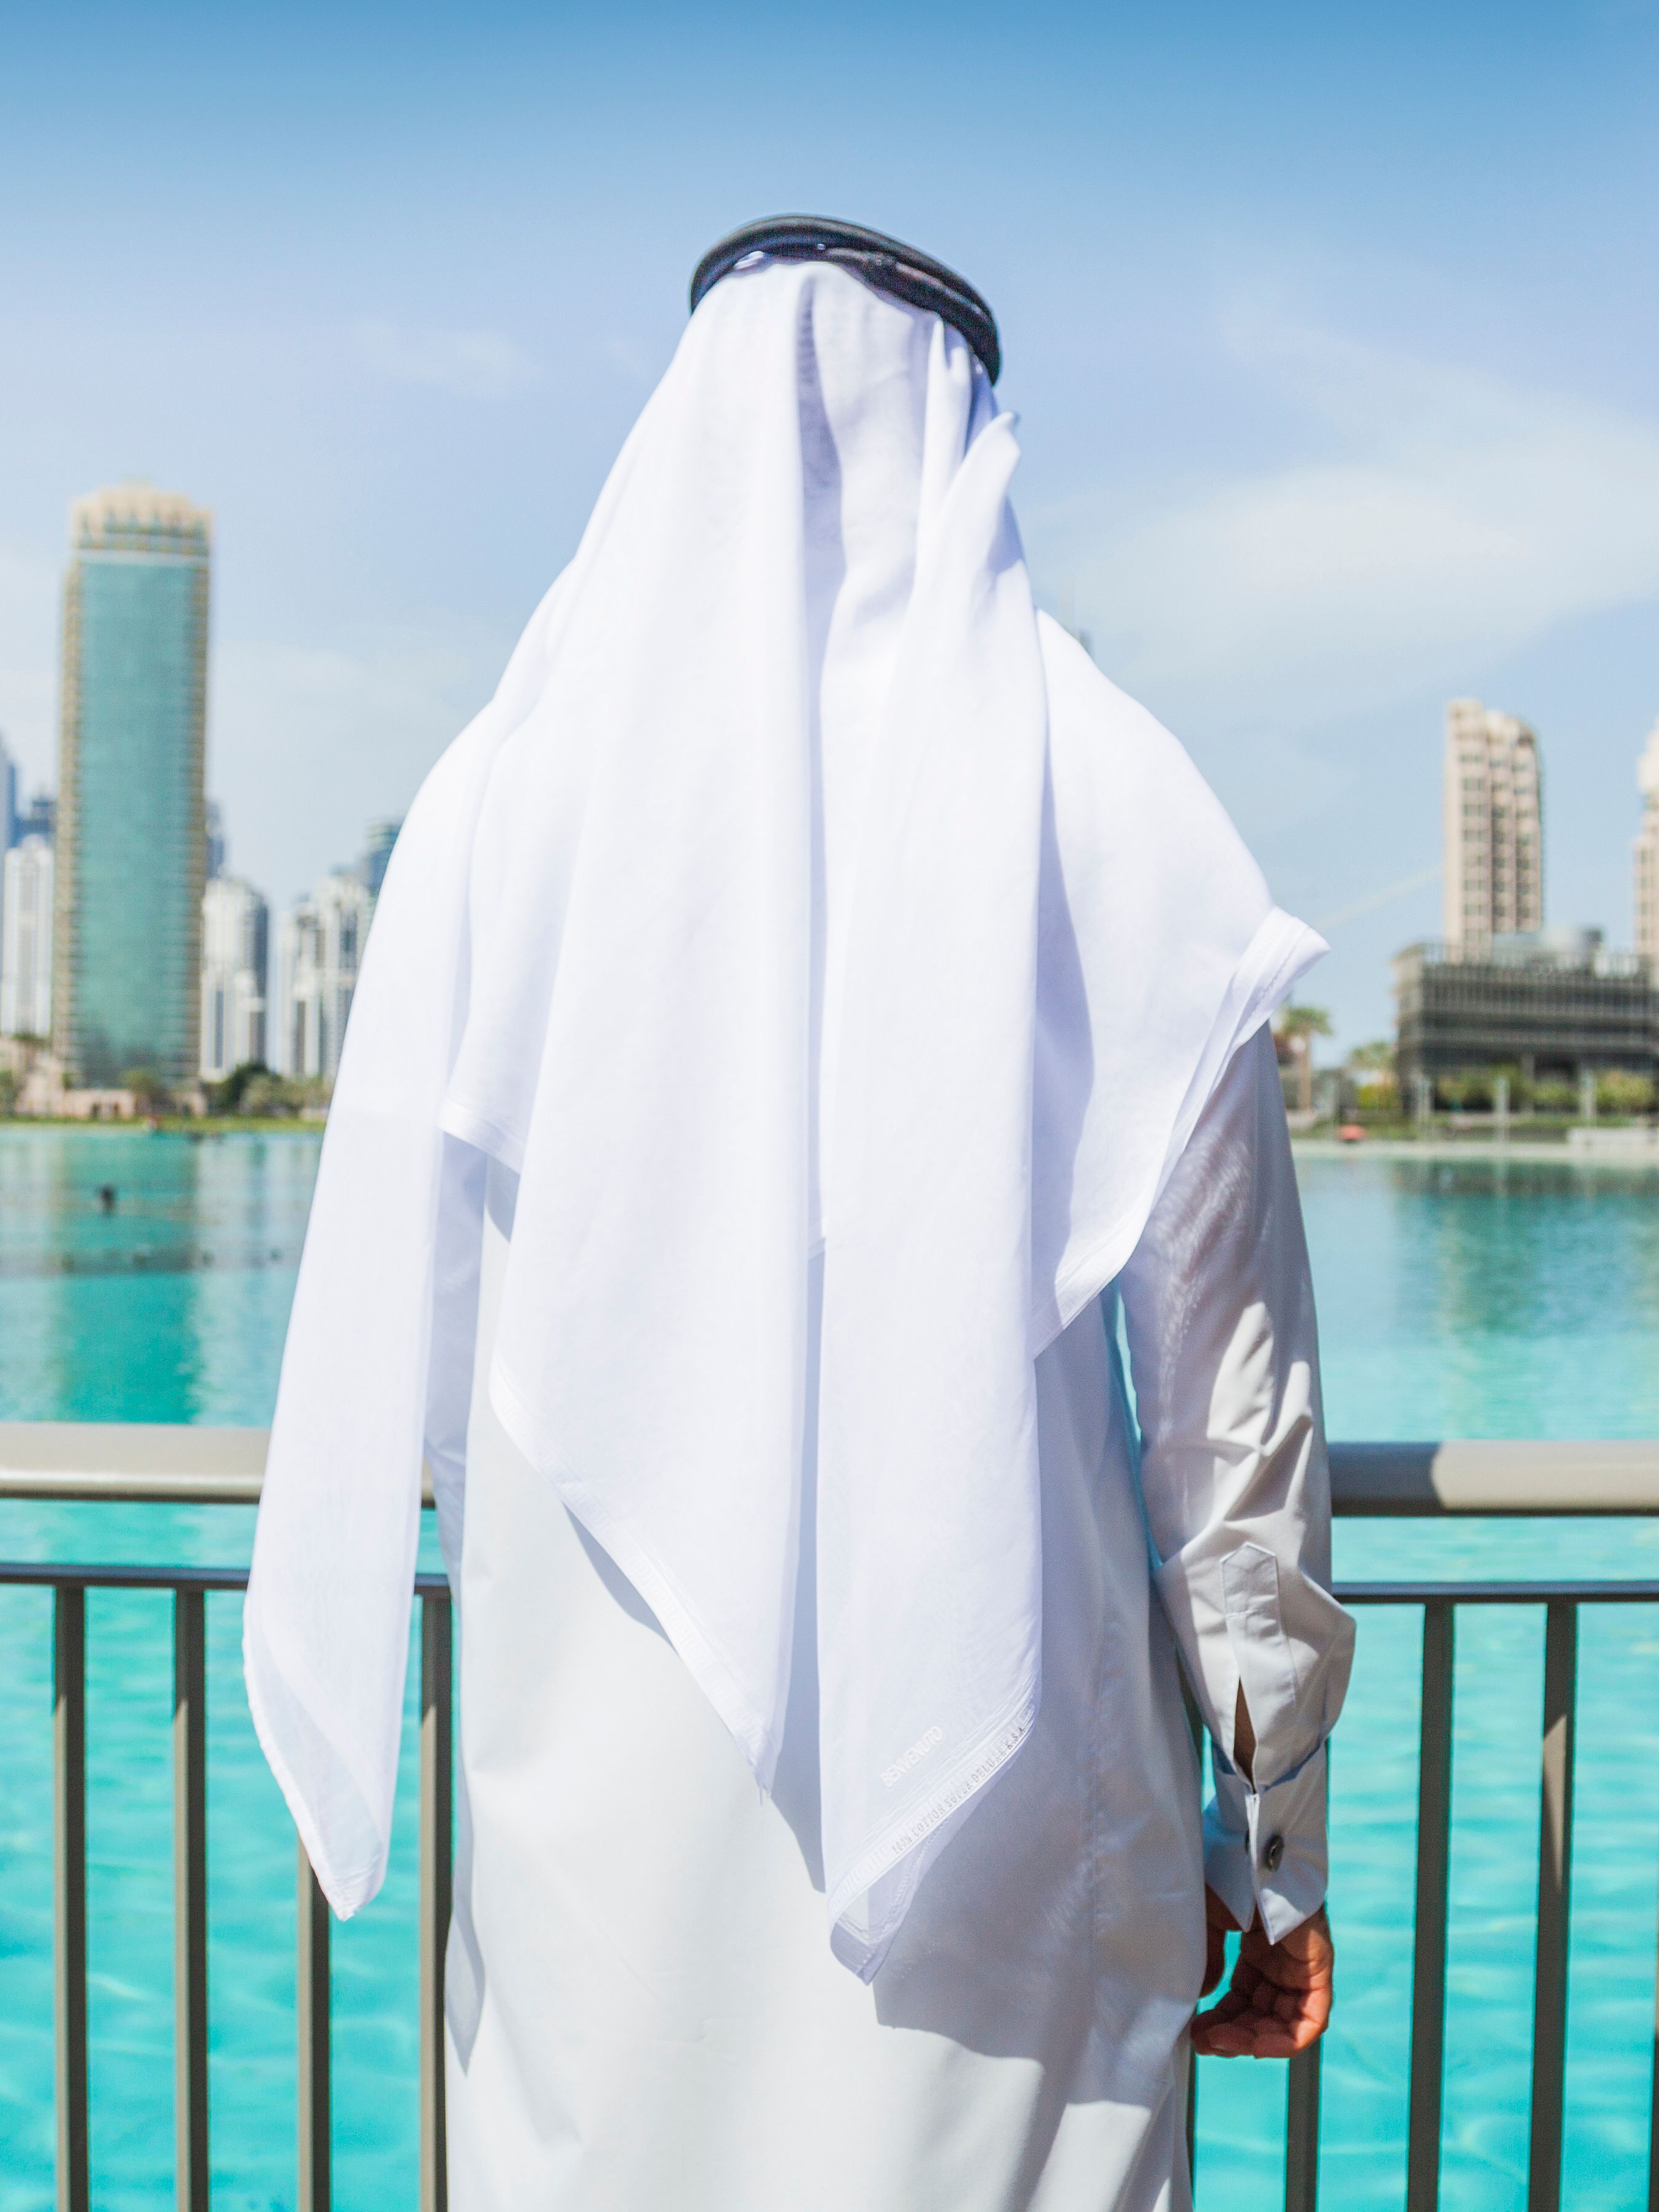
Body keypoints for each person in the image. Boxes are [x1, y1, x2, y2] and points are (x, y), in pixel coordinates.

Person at [245, 217, 1355, 2210]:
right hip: (1021, 1787)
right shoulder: (1116, 802)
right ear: (974, 442)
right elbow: (1229, 1416)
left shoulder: (499, 801)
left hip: (587, 1782)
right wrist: (1275, 1840)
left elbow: (411, 1354)